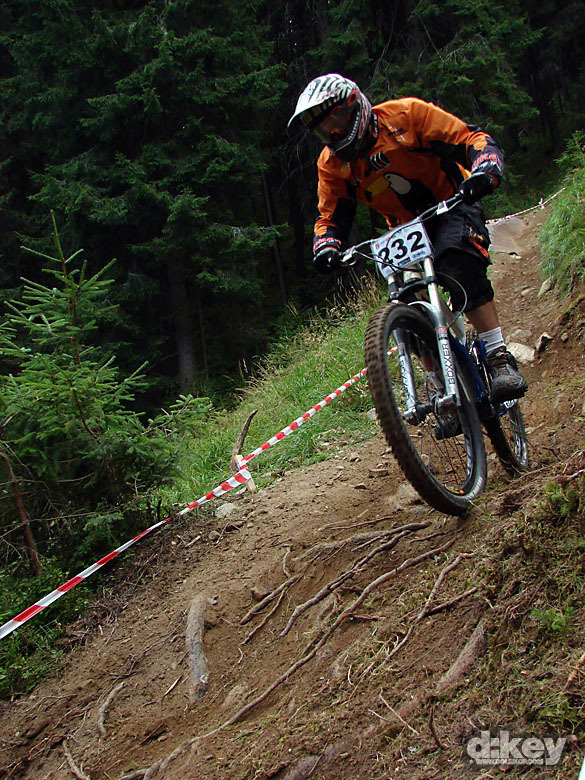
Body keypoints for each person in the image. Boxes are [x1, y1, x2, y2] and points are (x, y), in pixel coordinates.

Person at [288, 73, 528, 404]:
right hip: (404, 229)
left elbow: (469, 138)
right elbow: (329, 217)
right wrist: (326, 244)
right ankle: (440, 386)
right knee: (405, 305)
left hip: (452, 202)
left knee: (458, 264)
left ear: (355, 106)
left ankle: (499, 357)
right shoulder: (332, 164)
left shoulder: (406, 116)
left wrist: (484, 167)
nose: (333, 134)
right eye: (323, 130)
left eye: (336, 121)